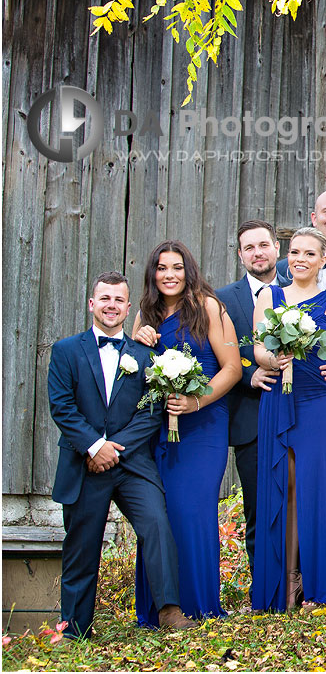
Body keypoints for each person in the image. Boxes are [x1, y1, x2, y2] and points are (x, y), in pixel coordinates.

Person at [48, 272, 197, 638]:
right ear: (92, 304)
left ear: (129, 307)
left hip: (131, 463)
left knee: (157, 526)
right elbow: (62, 406)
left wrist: (114, 449)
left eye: (119, 300)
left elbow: (151, 411)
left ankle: (169, 610)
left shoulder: (144, 355)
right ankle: (75, 628)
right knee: (82, 546)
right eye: (105, 299)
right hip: (84, 462)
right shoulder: (66, 351)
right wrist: (95, 446)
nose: (111, 306)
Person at [217, 220, 326, 575]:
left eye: (264, 245)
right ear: (240, 255)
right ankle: (266, 582)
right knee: (262, 504)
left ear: (276, 249)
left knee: (304, 497)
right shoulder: (224, 298)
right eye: (249, 247)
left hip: (303, 408)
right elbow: (221, 351)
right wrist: (248, 370)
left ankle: (302, 577)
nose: (258, 253)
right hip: (251, 414)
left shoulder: (300, 293)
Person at [131, 242, 241, 627]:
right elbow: (135, 374)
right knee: (160, 514)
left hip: (203, 424)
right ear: (153, 274)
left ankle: (198, 602)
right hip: (158, 427)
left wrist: (195, 402)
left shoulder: (209, 307)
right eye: (161, 268)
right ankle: (162, 606)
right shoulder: (145, 315)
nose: (169, 275)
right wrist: (139, 343)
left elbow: (231, 369)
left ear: (189, 271)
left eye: (177, 267)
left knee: (192, 509)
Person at [252, 227, 326, 611]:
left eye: (310, 254)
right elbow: (258, 346)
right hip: (279, 400)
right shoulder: (269, 297)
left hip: (318, 401)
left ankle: (316, 585)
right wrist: (272, 359)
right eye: (295, 252)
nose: (300, 259)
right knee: (287, 486)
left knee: (316, 490)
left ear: (322, 261)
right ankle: (286, 581)